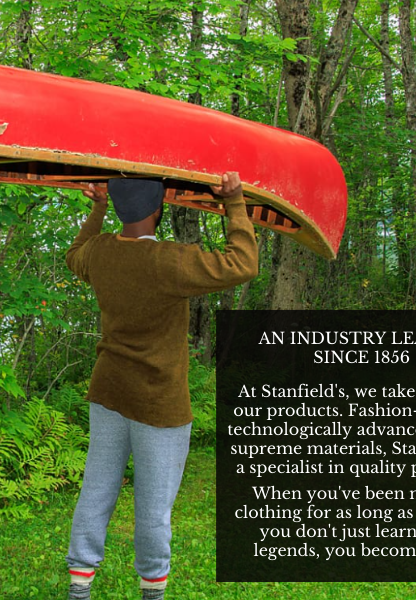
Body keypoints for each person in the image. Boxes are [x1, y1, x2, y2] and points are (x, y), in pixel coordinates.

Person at [64, 174, 258, 600]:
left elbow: (74, 254)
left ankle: (79, 589)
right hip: (159, 400)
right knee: (153, 507)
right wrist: (235, 203)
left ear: (117, 207)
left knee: (96, 489)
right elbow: (242, 263)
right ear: (158, 209)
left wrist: (96, 208)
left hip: (109, 390)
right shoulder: (169, 260)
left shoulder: (100, 254)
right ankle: (152, 594)